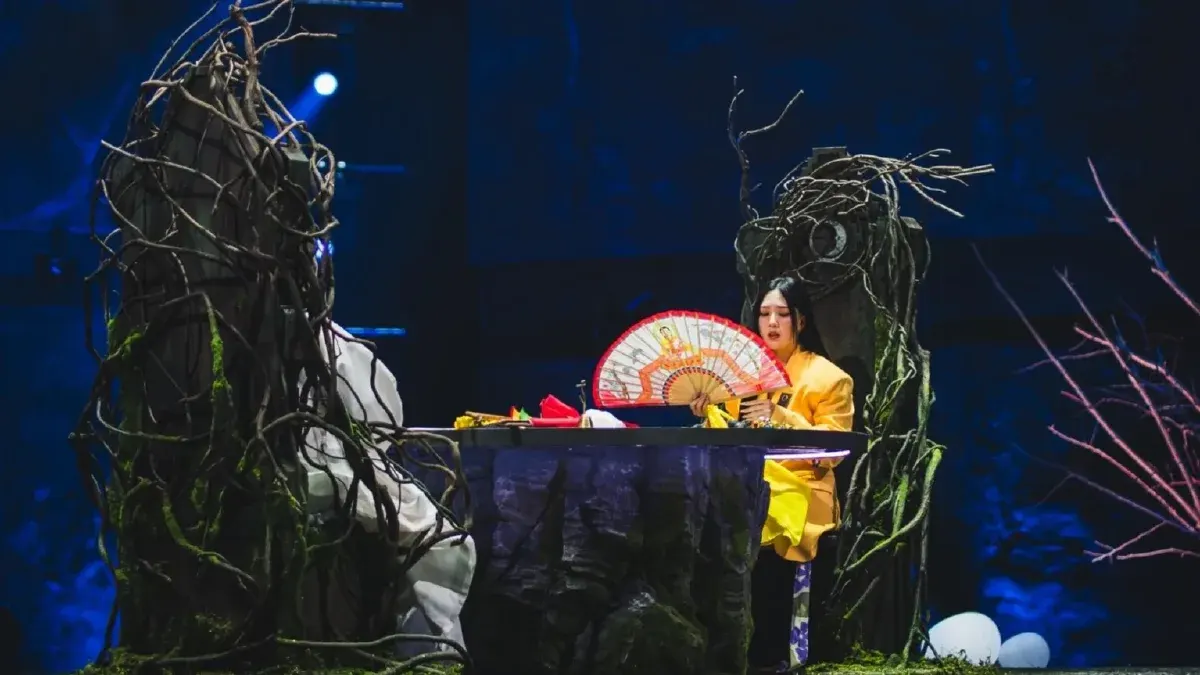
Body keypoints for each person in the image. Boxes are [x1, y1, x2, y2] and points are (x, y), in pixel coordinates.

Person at [689, 276, 853, 671]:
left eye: (782, 314)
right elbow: (726, 438)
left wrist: (780, 416)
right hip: (749, 488)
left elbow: (833, 450)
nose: (772, 323)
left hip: (803, 489)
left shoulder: (828, 378)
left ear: (801, 321)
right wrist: (707, 411)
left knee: (757, 516)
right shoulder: (739, 379)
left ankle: (776, 654)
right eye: (764, 314)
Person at [301, 321, 476, 655]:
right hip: (329, 481)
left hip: (329, 478)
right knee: (423, 534)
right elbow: (382, 411)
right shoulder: (321, 337)